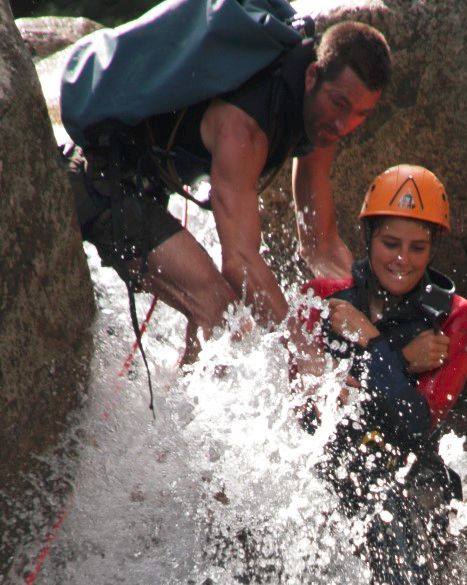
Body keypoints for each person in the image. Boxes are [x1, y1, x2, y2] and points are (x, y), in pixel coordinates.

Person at [64, 18, 392, 360]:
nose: (344, 124)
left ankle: (176, 403)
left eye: (361, 113)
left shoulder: (323, 121)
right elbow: (239, 263)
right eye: (340, 104)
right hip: (99, 178)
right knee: (222, 313)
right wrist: (304, 354)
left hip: (145, 187)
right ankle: (185, 414)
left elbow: (319, 246)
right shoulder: (245, 127)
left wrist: (376, 322)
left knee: (222, 313)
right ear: (312, 76)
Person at [295, 164, 467, 585]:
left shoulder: (454, 317)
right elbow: (313, 409)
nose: (402, 259)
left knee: (399, 516)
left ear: (433, 249)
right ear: (368, 238)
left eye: (417, 247)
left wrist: (372, 344)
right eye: (390, 243)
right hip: (331, 460)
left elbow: (415, 424)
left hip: (410, 467)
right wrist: (400, 361)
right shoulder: (320, 299)